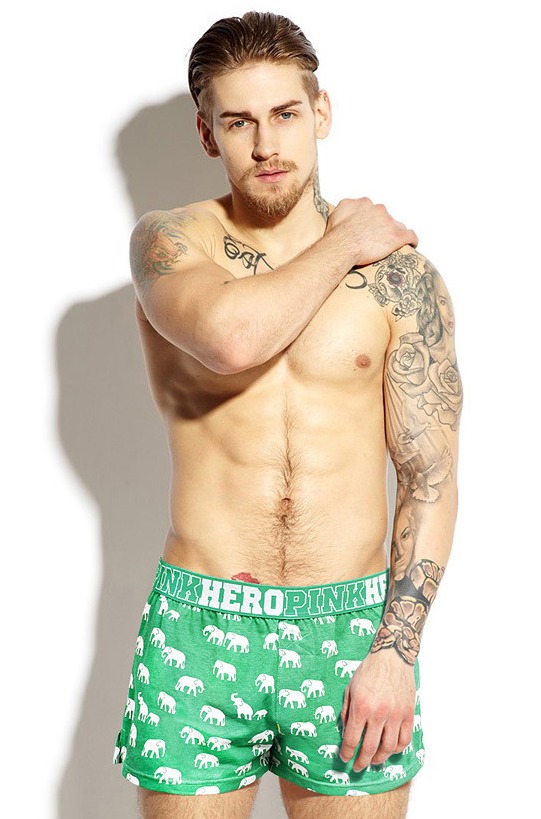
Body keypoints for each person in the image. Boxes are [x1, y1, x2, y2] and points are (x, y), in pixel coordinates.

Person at [112, 11, 463, 819]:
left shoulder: (400, 279)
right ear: (207, 134)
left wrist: (395, 652)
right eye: (239, 121)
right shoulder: (170, 243)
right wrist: (341, 241)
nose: (267, 144)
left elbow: (429, 477)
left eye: (285, 114)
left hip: (352, 631)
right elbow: (231, 338)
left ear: (321, 112)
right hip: (198, 620)